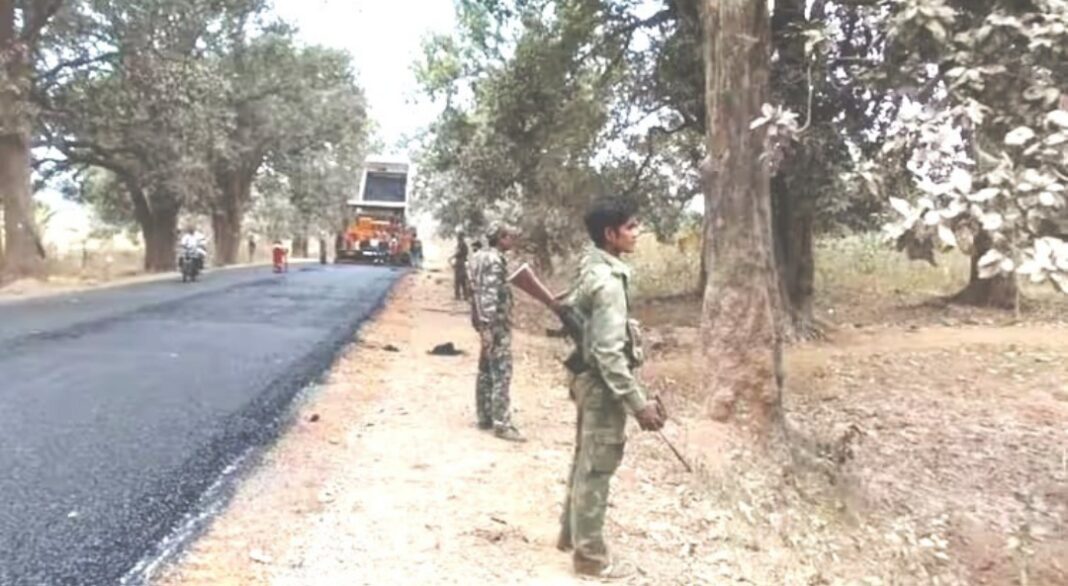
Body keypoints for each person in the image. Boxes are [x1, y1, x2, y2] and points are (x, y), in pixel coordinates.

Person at [556, 196, 665, 580]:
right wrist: (638, 403)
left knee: (585, 459)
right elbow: (608, 353)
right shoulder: (608, 282)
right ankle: (590, 559)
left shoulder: (592, 263)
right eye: (630, 227)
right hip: (601, 385)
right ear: (610, 234)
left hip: (585, 377)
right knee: (598, 467)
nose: (637, 233)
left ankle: (572, 536)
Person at [470, 224, 524, 442]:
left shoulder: (478, 256)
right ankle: (501, 423)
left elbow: (475, 291)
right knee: (502, 370)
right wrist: (488, 326)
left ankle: (484, 415)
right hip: (496, 323)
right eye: (510, 237)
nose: (512, 241)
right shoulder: (495, 260)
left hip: (484, 320)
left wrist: (480, 323)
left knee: (485, 368)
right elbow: (490, 295)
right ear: (501, 238)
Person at [452, 231, 471, 300]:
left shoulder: (461, 244)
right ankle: (465, 295)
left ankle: (458, 295)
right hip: (462, 262)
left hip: (460, 262)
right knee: (463, 280)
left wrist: (452, 257)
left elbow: (458, 253)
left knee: (458, 280)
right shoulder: (463, 244)